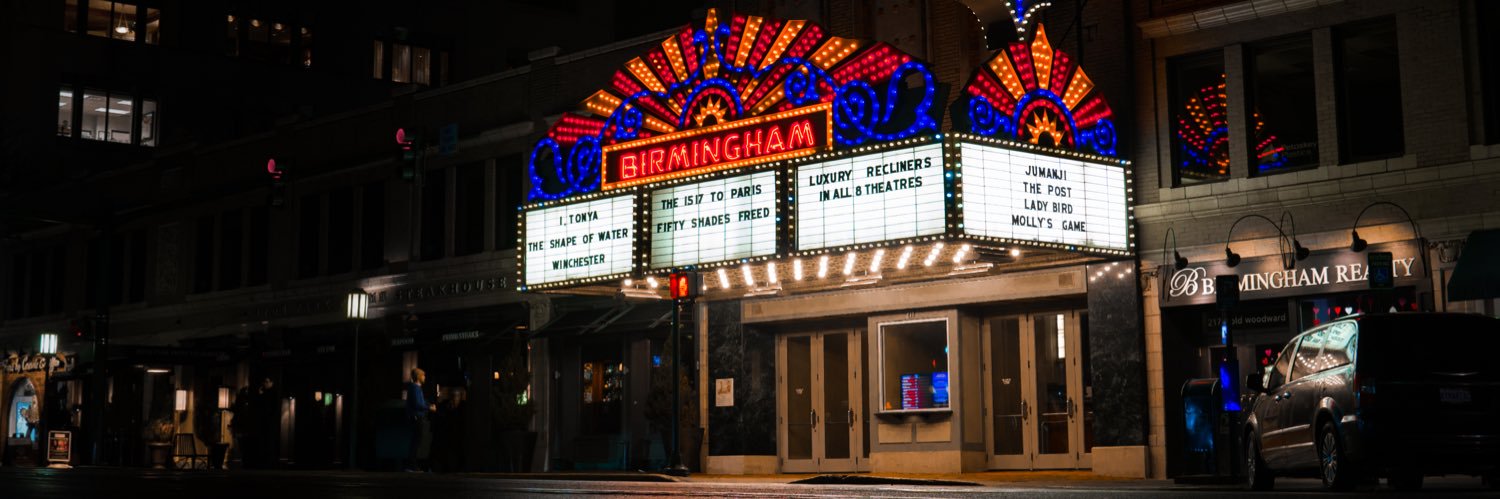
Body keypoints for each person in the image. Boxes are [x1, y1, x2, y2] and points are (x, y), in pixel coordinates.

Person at [404, 368, 435, 472]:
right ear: (418, 377)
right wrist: (429, 407)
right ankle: (412, 465)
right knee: (416, 442)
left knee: (416, 442)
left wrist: (428, 405)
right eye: (423, 375)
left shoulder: (415, 388)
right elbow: (418, 404)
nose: (425, 377)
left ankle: (412, 465)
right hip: (417, 418)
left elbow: (420, 402)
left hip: (416, 418)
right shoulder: (415, 388)